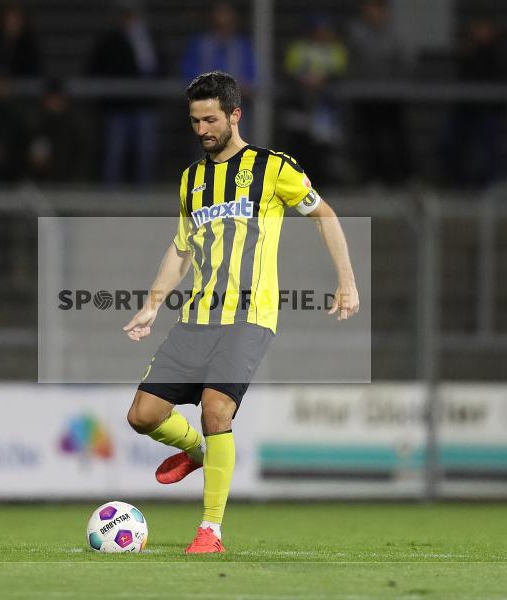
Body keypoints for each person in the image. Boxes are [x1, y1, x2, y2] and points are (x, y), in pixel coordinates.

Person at [122, 71, 360, 553]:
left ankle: (210, 530)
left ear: (235, 115)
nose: (202, 129)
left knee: (216, 409)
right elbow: (182, 248)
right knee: (143, 416)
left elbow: (325, 216)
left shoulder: (273, 167)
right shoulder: (191, 180)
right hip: (197, 318)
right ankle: (196, 452)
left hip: (249, 317)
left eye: (211, 119)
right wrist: (152, 305)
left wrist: (347, 281)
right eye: (195, 121)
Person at [86, 0, 162, 184]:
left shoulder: (149, 39)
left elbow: (159, 68)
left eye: (132, 14)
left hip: (144, 107)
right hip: (117, 108)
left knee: (145, 153)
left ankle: (143, 196)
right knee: (114, 154)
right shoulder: (109, 40)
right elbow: (95, 69)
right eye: (125, 14)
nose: (129, 19)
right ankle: (109, 196)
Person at [347, 0, 412, 184]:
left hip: (391, 95)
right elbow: (351, 60)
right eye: (367, 8)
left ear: (383, 10)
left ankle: (402, 177)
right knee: (368, 137)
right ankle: (371, 177)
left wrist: (395, 84)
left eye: (374, 8)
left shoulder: (396, 33)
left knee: (395, 136)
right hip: (364, 94)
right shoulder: (356, 31)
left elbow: (406, 61)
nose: (371, 12)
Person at [439, 18, 507, 188]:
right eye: (478, 29)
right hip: (466, 110)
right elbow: (463, 76)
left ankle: (488, 185)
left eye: (484, 29)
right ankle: (458, 182)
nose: (480, 33)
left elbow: (499, 80)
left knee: (488, 151)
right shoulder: (468, 52)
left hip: (488, 111)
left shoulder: (498, 54)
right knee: (449, 144)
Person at [283, 14, 347, 184]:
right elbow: (290, 71)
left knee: (325, 146)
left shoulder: (335, 48)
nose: (322, 33)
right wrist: (305, 79)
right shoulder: (299, 48)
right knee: (300, 143)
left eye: (325, 30)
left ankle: (323, 181)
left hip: (326, 107)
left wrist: (323, 79)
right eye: (319, 30)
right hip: (301, 104)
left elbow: (340, 72)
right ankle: (299, 180)